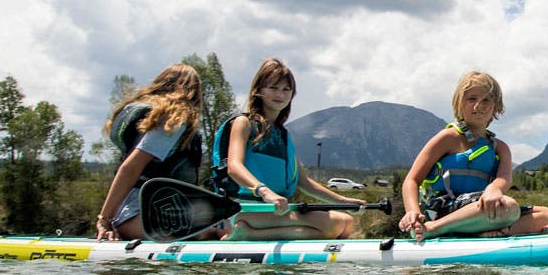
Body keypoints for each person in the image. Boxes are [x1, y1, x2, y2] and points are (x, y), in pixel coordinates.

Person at [399, 71, 548, 242]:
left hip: (482, 207)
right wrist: (412, 212)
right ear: (459, 103)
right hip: (445, 208)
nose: (479, 105)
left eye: (486, 100)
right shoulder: (448, 137)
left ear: (496, 107)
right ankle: (433, 228)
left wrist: (494, 189)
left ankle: (482, 232)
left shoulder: (500, 148)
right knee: (509, 206)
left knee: (545, 214)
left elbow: (504, 178)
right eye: (472, 99)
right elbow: (411, 180)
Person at [210, 58, 356, 240]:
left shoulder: (282, 136)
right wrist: (265, 191)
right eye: (273, 88)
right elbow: (234, 166)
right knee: (332, 224)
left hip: (274, 211)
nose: (280, 94)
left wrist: (344, 202)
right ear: (258, 91)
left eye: (286, 89)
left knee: (347, 222)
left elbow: (305, 183)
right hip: (244, 208)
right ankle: (245, 233)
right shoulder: (244, 123)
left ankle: (251, 234)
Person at [96, 62, 214, 241]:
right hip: (137, 215)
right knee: (216, 230)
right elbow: (131, 168)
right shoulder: (172, 123)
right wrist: (104, 220)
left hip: (145, 212)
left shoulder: (157, 117)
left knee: (217, 224)